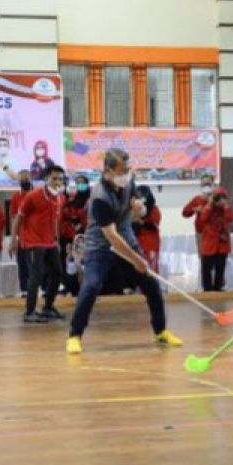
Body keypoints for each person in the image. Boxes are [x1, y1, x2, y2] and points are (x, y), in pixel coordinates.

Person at [66, 149, 183, 354]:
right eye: (122, 171)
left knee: (151, 285)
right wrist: (137, 260)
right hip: (100, 246)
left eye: (127, 170)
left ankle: (160, 331)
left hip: (126, 237)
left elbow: (139, 208)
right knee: (91, 286)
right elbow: (111, 236)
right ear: (108, 171)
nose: (126, 174)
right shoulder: (99, 196)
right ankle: (75, 336)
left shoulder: (128, 182)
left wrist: (140, 209)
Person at [12, 165, 66, 323]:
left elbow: (55, 220)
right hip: (33, 242)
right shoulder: (33, 196)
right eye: (54, 178)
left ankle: (48, 307)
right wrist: (14, 240)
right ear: (47, 179)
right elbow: (18, 218)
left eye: (60, 179)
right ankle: (29, 312)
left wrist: (56, 240)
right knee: (36, 276)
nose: (57, 182)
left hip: (50, 242)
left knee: (57, 273)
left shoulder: (60, 198)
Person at [196, 187, 232, 291]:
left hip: (222, 244)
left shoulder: (226, 209)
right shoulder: (207, 207)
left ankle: (218, 288)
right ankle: (207, 289)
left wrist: (225, 206)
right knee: (206, 269)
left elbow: (230, 218)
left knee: (220, 269)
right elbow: (202, 219)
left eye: (222, 197)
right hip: (209, 243)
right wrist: (210, 204)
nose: (219, 200)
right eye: (217, 198)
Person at [60, 175, 90, 297]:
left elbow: (89, 220)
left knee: (84, 264)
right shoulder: (67, 200)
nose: (79, 185)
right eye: (77, 183)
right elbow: (61, 218)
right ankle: (70, 288)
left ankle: (85, 289)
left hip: (84, 237)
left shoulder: (90, 200)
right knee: (69, 262)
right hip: (67, 237)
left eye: (82, 183)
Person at [182, 173, 216, 279]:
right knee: (203, 258)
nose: (206, 186)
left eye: (208, 184)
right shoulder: (197, 199)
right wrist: (194, 209)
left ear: (212, 184)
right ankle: (204, 283)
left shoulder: (218, 197)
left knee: (216, 258)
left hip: (215, 233)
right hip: (201, 233)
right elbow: (184, 212)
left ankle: (218, 283)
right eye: (204, 184)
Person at [10, 169, 34, 296]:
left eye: (26, 178)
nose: (24, 181)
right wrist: (13, 239)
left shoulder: (37, 194)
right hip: (22, 237)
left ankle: (36, 288)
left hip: (36, 237)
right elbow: (14, 218)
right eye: (22, 179)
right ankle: (24, 290)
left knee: (35, 265)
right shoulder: (16, 197)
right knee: (23, 264)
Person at [132, 185, 162, 274]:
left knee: (150, 270)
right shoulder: (132, 210)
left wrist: (142, 222)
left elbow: (154, 226)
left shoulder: (154, 210)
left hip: (150, 244)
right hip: (136, 243)